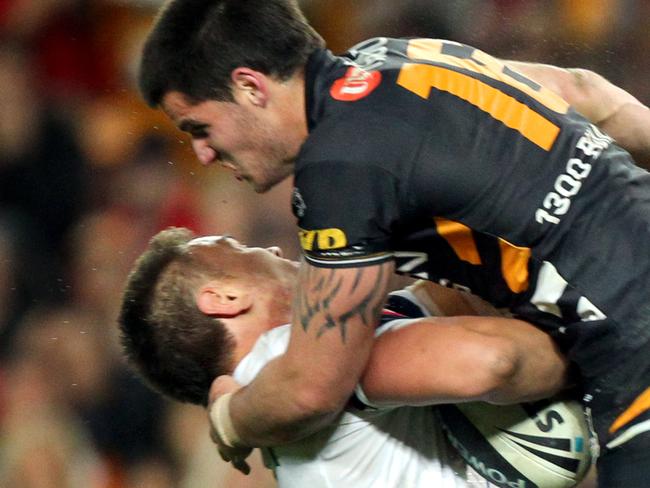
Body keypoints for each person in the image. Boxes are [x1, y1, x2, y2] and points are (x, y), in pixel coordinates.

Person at [137, 2, 650, 485]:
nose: (202, 153)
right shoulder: (397, 56)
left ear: (250, 87)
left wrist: (230, 418)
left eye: (199, 127)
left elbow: (312, 388)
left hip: (631, 343)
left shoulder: (336, 173)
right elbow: (585, 95)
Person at [118, 227, 568, 487]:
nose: (271, 249)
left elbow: (447, 299)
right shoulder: (283, 356)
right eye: (240, 250)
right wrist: (599, 344)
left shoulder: (280, 377)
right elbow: (493, 361)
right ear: (224, 297)